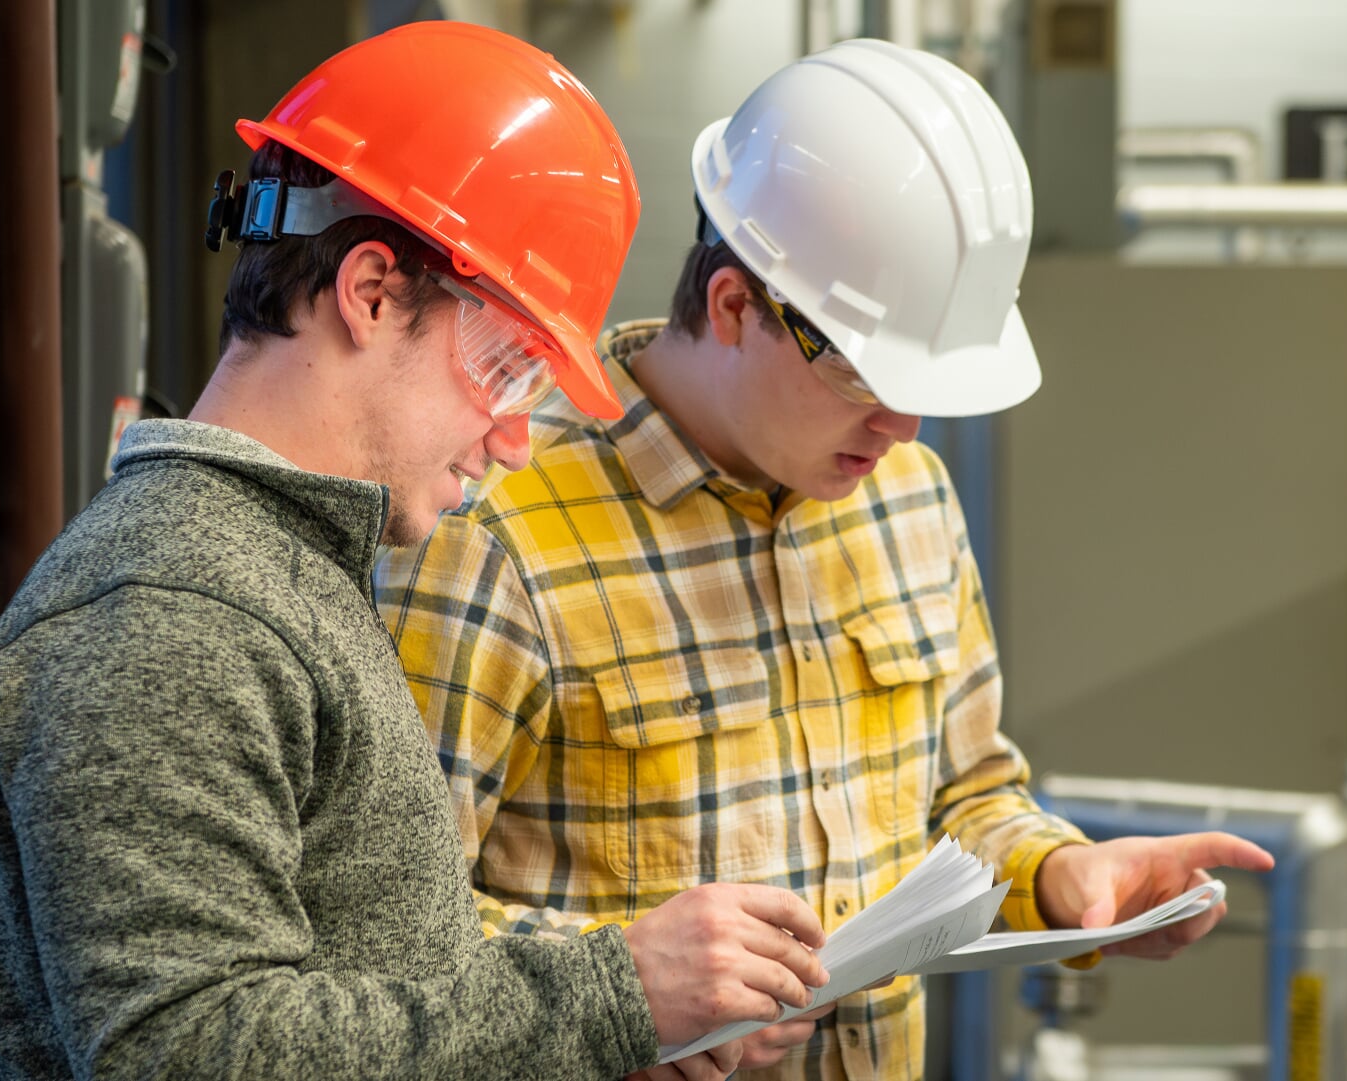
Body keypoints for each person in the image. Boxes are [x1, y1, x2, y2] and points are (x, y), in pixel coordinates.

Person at [373, 38, 1273, 1080]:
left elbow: (964, 797)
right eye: (869, 377)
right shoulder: (495, 532)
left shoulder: (910, 501)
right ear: (735, 308)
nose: (905, 425)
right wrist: (621, 996)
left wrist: (1061, 875)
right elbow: (386, 924)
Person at [0, 23, 828, 1081]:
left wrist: (618, 1034)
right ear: (371, 291)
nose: (517, 438)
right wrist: (609, 995)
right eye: (507, 365)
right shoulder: (170, 605)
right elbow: (185, 1051)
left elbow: (369, 987)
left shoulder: (281, 572)